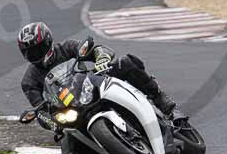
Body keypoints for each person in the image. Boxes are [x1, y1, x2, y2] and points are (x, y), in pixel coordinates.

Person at [18, 21, 176, 132]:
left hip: (92, 84)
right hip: (69, 108)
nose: (35, 55)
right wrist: (54, 125)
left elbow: (97, 49)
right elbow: (40, 110)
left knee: (127, 62)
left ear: (47, 41)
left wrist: (102, 59)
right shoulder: (29, 81)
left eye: (38, 49)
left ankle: (158, 97)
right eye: (30, 52)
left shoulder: (66, 47)